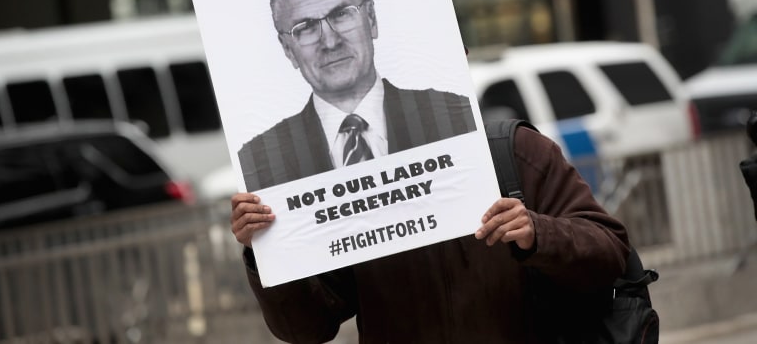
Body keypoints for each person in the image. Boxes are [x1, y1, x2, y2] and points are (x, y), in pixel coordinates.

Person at [230, 123, 631, 343]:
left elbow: (609, 252)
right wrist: (263, 249)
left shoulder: (515, 154)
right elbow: (306, 329)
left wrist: (538, 233)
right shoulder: (344, 186)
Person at [237, 0, 476, 191]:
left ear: (371, 19)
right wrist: (251, 228)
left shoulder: (458, 118)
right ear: (288, 49)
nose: (330, 42)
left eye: (341, 14)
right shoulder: (260, 161)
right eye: (306, 27)